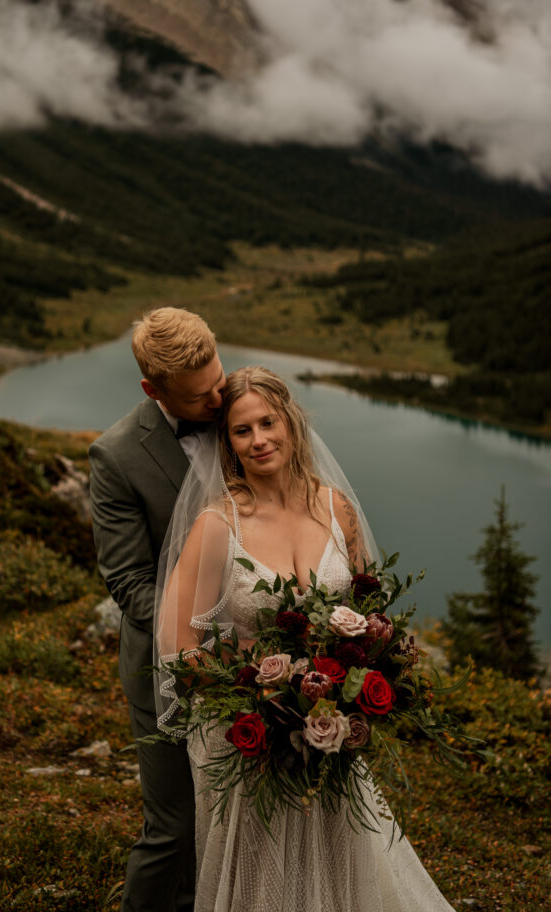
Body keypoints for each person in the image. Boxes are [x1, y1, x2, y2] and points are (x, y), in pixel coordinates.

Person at [155, 366, 457, 912]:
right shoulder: (219, 524)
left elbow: (369, 611)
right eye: (242, 431)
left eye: (267, 422)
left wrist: (360, 675)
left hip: (330, 729)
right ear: (228, 444)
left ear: (291, 424)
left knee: (340, 855)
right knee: (264, 871)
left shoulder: (335, 508)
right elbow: (177, 645)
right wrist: (255, 688)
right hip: (249, 739)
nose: (259, 439)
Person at [89, 307, 226, 912]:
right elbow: (130, 583)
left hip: (255, 663)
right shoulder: (117, 456)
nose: (219, 400)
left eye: (219, 380)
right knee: (172, 826)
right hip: (166, 668)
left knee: (223, 818)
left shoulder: (238, 410)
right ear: (153, 390)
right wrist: (208, 639)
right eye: (201, 397)